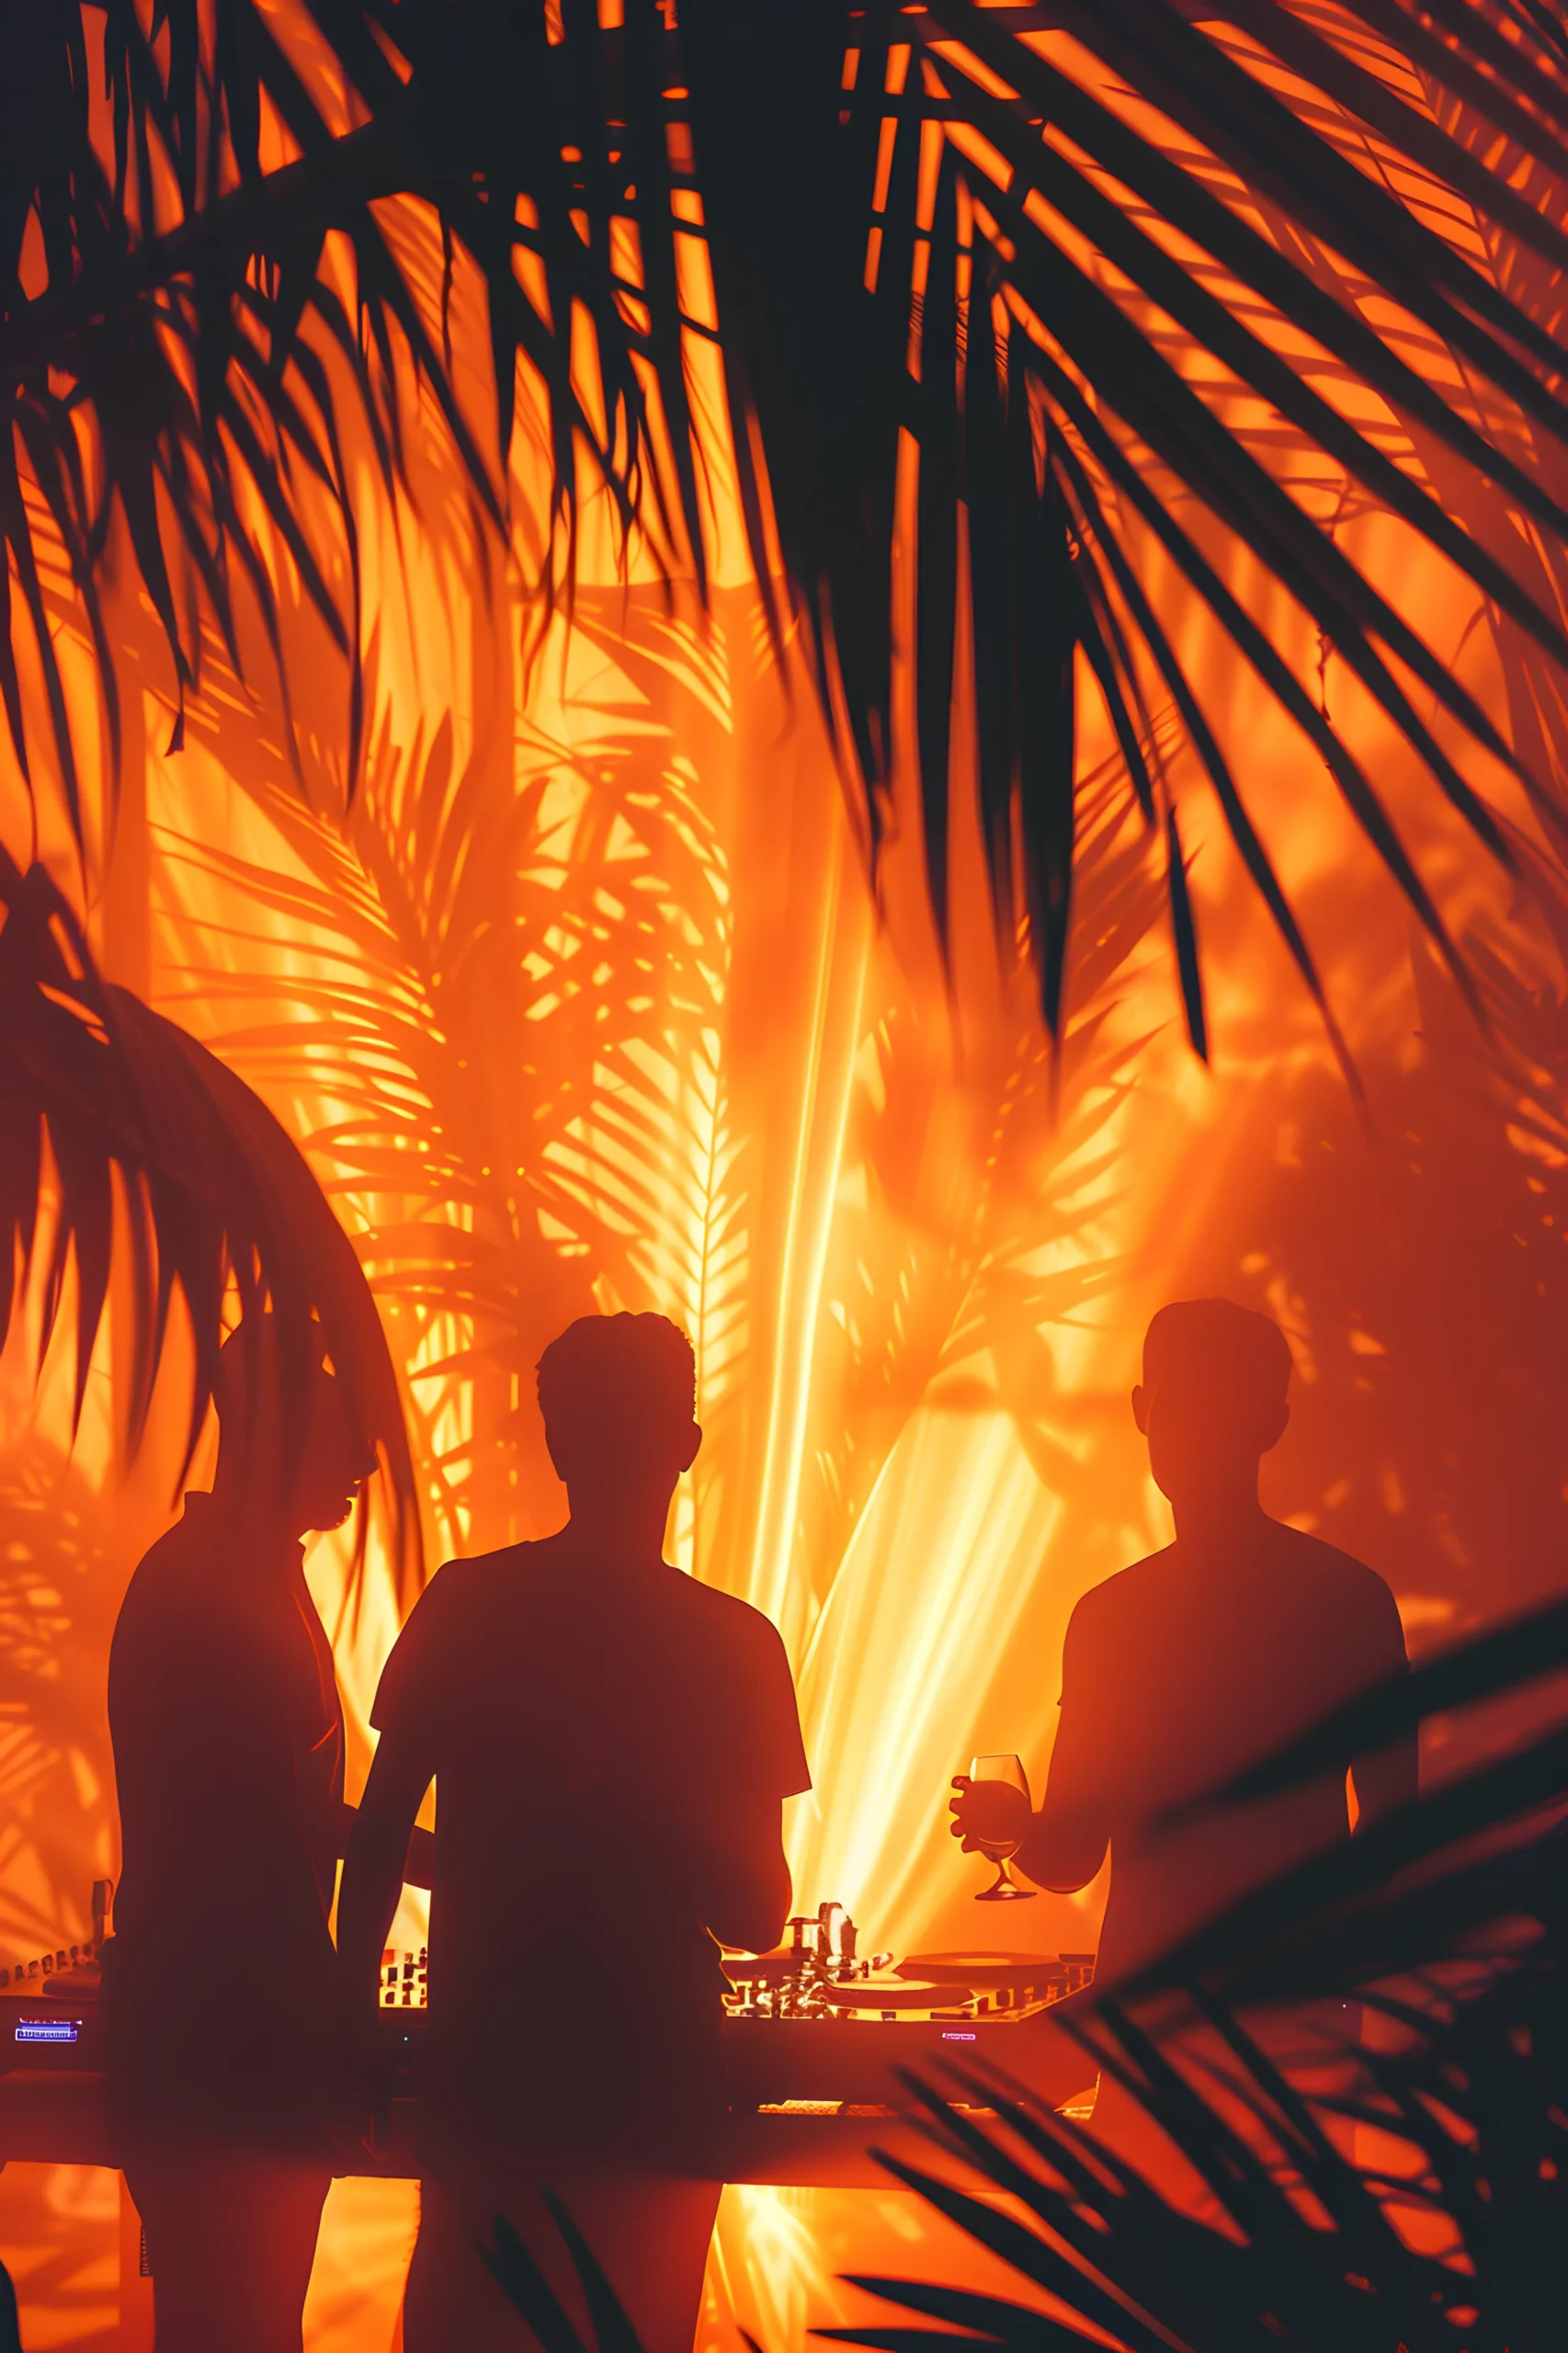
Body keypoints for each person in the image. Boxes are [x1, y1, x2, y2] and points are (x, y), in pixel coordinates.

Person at [338, 1312, 811, 2353]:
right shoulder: (737, 1645)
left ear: (555, 1443)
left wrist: (348, 2021)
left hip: (488, 2082)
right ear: (683, 1445)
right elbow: (759, 1914)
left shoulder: (466, 1604)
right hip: (649, 2089)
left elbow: (376, 1838)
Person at [950, 1298, 1417, 1987]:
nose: (1197, 1437)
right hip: (1208, 2014)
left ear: (1268, 1425)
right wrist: (1016, 1827)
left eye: (1220, 1412)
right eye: (1180, 1411)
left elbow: (1393, 1831)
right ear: (1141, 1412)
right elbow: (1075, 1854)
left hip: (1241, 2016)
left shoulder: (1341, 1604)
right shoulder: (1340, 1597)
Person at [105, 1317, 374, 2353]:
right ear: (272, 1431)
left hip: (228, 2037)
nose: (359, 1462)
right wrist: (481, 1863)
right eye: (339, 1435)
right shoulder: (208, 1587)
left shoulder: (248, 1572)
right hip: (221, 2042)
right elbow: (281, 1820)